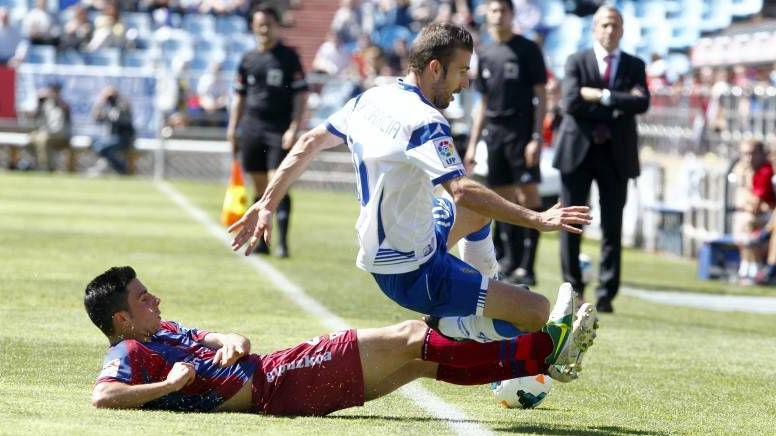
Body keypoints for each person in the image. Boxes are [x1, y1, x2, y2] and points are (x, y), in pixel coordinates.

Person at [229, 22, 593, 350]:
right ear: (436, 67)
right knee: (535, 311)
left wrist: (266, 202)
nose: (465, 83)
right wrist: (538, 218)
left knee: (477, 212)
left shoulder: (372, 97)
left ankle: (482, 295)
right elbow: (461, 189)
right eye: (462, 71)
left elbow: (309, 142)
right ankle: (456, 324)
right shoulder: (425, 121)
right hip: (415, 273)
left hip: (385, 252)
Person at [86, 266, 598, 413]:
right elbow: (103, 397)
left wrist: (230, 337)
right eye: (142, 298)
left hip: (271, 372)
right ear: (121, 320)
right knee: (411, 335)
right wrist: (168, 385)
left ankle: (544, 359)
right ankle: (545, 348)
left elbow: (212, 335)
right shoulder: (128, 350)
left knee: (420, 362)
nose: (155, 299)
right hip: (274, 385)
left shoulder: (165, 330)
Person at [552, 6, 650, 313]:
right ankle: (573, 288)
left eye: (615, 25)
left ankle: (607, 292)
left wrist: (601, 96)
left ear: (622, 30)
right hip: (577, 152)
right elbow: (570, 102)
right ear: (595, 28)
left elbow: (642, 102)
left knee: (612, 225)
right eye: (605, 25)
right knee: (571, 221)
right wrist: (619, 106)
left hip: (615, 155)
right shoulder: (576, 61)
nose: (610, 30)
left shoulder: (634, 65)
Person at [464, 0, 548, 286]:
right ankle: (510, 263)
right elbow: (484, 103)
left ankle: (529, 265)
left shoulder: (527, 49)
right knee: (501, 200)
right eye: (494, 10)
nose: (499, 15)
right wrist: (474, 144)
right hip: (495, 134)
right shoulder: (485, 52)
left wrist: (536, 137)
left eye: (504, 10)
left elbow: (541, 95)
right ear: (487, 14)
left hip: (522, 132)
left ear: (512, 14)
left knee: (529, 197)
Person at [226, 4, 309, 258]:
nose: (264, 29)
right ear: (253, 26)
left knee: (278, 183)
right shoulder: (248, 59)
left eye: (268, 25)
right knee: (261, 186)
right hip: (252, 129)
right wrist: (233, 127)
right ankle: (261, 241)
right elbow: (239, 96)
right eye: (259, 25)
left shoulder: (288, 57)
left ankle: (282, 242)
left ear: (276, 26)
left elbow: (301, 94)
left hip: (278, 130)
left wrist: (294, 127)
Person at [731, 139, 775, 282]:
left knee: (749, 223)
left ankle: (756, 269)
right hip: (758, 215)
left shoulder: (765, 171)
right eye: (745, 154)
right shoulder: (743, 170)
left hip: (768, 216)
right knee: (744, 222)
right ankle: (748, 267)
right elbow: (742, 200)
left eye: (753, 153)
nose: (749, 158)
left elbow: (759, 201)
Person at [89, 86, 136, 176]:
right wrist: (100, 102)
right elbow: (97, 118)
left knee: (101, 147)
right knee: (94, 143)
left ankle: (122, 169)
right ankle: (110, 167)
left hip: (125, 137)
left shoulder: (123, 104)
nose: (110, 99)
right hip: (113, 138)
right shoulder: (108, 106)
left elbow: (118, 118)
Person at [30, 82, 72, 172]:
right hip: (48, 133)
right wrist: (39, 102)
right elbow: (35, 117)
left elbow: (61, 122)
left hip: (62, 135)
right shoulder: (46, 104)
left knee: (43, 140)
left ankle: (47, 167)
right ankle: (36, 164)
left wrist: (56, 99)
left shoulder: (63, 104)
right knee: (31, 140)